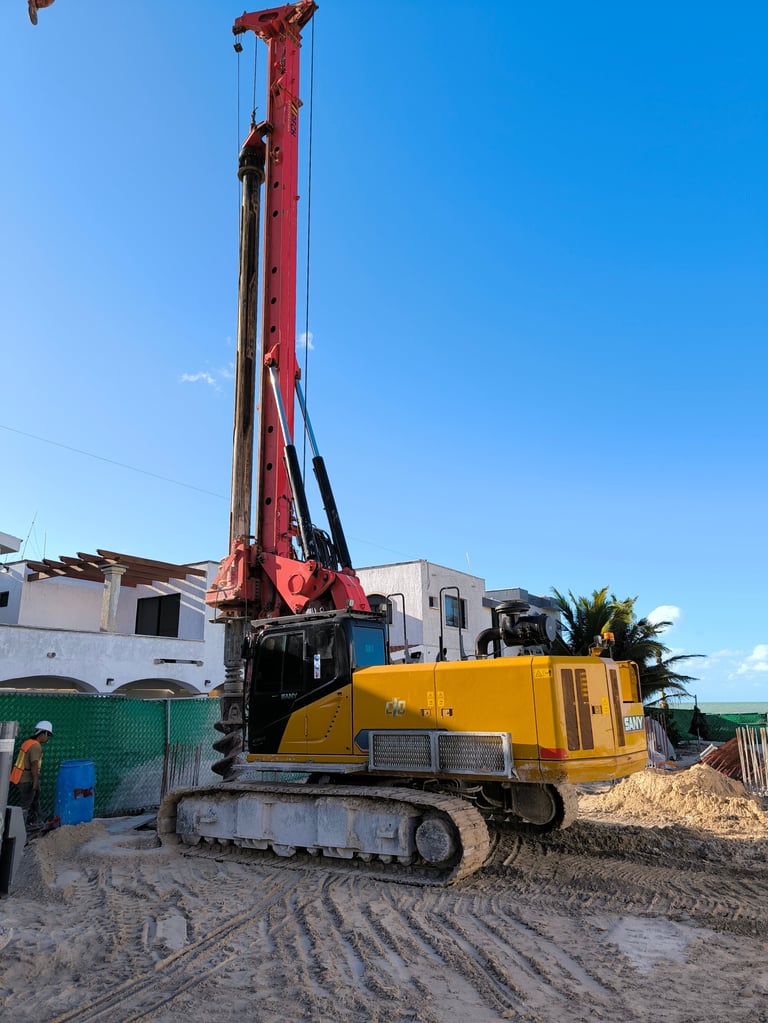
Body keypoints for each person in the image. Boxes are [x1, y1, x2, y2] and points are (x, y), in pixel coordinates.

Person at [9, 721, 54, 828]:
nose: (48, 738)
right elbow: (34, 765)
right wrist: (35, 782)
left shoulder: (28, 742)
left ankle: (36, 820)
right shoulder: (36, 747)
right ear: (43, 733)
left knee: (34, 798)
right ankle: (20, 827)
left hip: (20, 776)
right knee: (26, 804)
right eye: (48, 735)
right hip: (26, 779)